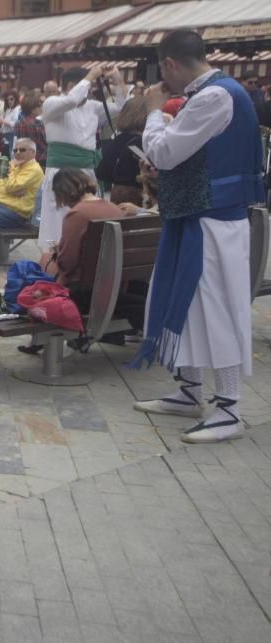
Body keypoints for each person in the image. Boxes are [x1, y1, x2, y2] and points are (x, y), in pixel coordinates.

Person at [131, 31, 264, 444]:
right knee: (182, 303)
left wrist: (153, 113)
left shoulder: (214, 96)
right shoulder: (218, 93)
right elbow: (187, 155)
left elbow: (165, 151)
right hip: (201, 217)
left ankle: (228, 408)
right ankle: (190, 391)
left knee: (217, 309)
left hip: (213, 222)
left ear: (169, 64)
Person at [36, 65, 126, 251]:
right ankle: (51, 266)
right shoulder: (52, 104)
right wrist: (91, 76)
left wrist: (117, 80)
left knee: (86, 221)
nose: (90, 89)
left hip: (86, 172)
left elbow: (122, 106)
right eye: (88, 85)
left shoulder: (93, 107)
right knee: (56, 225)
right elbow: (72, 100)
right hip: (59, 172)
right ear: (70, 85)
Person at [42, 169, 143, 329]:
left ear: (63, 192)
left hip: (83, 291)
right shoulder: (114, 209)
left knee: (44, 259)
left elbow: (67, 264)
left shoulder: (77, 214)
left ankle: (41, 336)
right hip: (115, 286)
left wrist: (57, 252)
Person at [0, 138, 44, 262]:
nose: (17, 153)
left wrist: (11, 171)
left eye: (22, 150)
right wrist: (11, 187)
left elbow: (10, 186)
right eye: (15, 150)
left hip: (16, 213)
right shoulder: (18, 166)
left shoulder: (33, 169)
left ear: (33, 152)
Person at [97, 96, 148, 207]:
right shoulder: (143, 142)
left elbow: (102, 171)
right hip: (141, 195)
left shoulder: (116, 139)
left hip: (117, 193)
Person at [14, 94, 47, 167]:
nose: (41, 108)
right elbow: (44, 142)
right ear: (32, 110)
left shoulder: (18, 123)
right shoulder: (37, 124)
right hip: (40, 158)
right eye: (39, 106)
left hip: (24, 158)